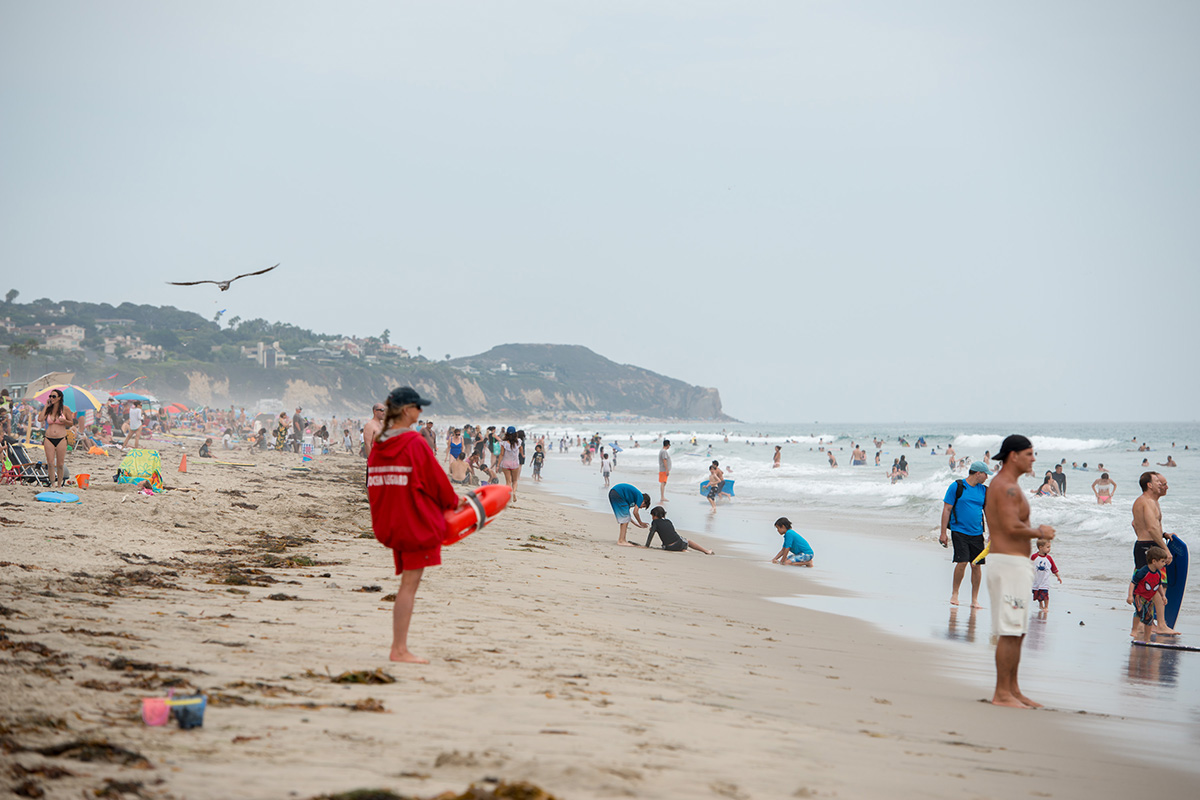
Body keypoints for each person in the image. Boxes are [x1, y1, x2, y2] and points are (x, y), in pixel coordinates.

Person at [367, 386, 465, 664]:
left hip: (390, 523)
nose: (421, 412)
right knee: (409, 586)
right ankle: (399, 649)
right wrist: (456, 504)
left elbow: (374, 487)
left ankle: (399, 647)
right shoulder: (414, 442)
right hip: (414, 524)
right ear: (407, 410)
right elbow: (439, 486)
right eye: (418, 407)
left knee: (407, 583)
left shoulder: (381, 443)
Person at [983, 434, 1054, 709]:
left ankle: (1013, 689)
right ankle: (1001, 693)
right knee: (1010, 629)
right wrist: (1040, 532)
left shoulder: (1009, 485)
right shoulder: (1006, 487)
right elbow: (1011, 526)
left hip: (1015, 565)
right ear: (1013, 455)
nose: (1033, 459)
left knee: (1019, 630)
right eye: (1029, 454)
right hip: (1008, 564)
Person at [939, 461, 990, 608]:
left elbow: (988, 513)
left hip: (977, 533)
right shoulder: (957, 486)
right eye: (986, 474)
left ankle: (974, 599)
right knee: (962, 562)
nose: (987, 477)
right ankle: (955, 593)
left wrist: (992, 533)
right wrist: (943, 533)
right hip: (959, 531)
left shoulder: (984, 491)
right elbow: (946, 509)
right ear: (978, 473)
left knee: (976, 565)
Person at [1127, 546, 1176, 641]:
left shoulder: (1157, 573)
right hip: (1139, 596)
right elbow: (1133, 583)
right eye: (1162, 561)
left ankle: (1147, 638)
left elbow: (1159, 585)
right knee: (1139, 611)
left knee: (1149, 618)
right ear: (1154, 561)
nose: (1164, 564)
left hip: (1149, 599)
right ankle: (1134, 629)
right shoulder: (1143, 572)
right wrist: (1130, 596)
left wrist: (1163, 596)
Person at [1132, 472, 1174, 571]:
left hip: (1145, 545)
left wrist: (1162, 534)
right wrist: (1166, 550)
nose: (1160, 484)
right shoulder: (1147, 501)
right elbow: (1151, 528)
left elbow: (1134, 524)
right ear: (1150, 485)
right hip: (1148, 547)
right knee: (1151, 583)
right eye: (1157, 481)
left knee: (1150, 583)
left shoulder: (1148, 501)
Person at [39, 390, 75, 488]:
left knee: (60, 464)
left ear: (59, 398)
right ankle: (53, 484)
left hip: (61, 438)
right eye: (50, 396)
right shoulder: (48, 409)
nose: (51, 398)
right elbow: (40, 419)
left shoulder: (65, 409)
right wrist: (46, 406)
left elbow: (71, 423)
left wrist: (65, 420)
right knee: (50, 463)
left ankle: (59, 484)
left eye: (54, 396)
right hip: (48, 438)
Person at [642, 506, 714, 554]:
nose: (652, 518)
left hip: (668, 547)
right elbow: (669, 532)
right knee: (688, 541)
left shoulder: (655, 522)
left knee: (675, 544)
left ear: (655, 515)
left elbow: (651, 534)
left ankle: (684, 550)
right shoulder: (668, 521)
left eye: (652, 516)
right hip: (678, 542)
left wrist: (647, 545)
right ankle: (706, 551)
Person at [1030, 539, 1061, 610]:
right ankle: (1041, 604)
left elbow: (1053, 568)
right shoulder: (1034, 557)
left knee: (1045, 594)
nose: (1049, 549)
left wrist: (1058, 576)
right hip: (1036, 580)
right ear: (1040, 547)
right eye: (1047, 547)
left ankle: (1046, 606)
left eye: (1049, 547)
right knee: (1037, 594)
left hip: (1045, 581)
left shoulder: (1049, 558)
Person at [499, 426, 522, 502]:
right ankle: (514, 492)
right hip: (515, 464)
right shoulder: (518, 442)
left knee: (508, 481)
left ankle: (508, 495)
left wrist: (498, 464)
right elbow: (521, 449)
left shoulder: (504, 443)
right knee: (515, 481)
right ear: (515, 433)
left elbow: (501, 454)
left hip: (505, 463)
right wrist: (522, 454)